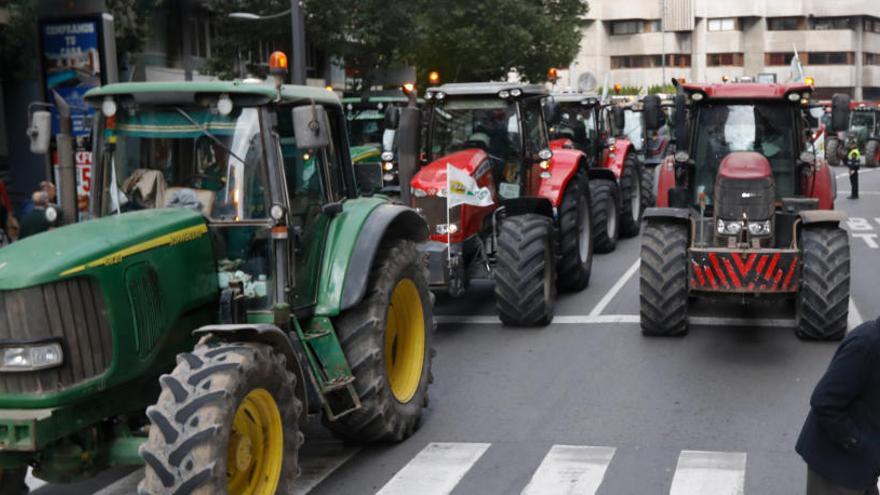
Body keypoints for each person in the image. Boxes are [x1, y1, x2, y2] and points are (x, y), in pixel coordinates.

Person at [796, 317, 880, 495]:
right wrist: (859, 444)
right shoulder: (867, 344)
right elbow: (825, 400)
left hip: (863, 467)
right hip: (836, 467)